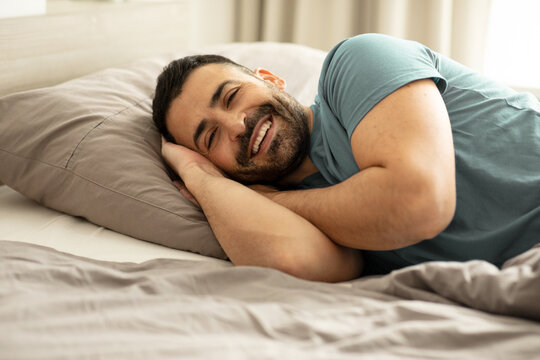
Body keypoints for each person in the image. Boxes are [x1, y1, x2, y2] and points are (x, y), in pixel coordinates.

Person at [152, 33, 540, 282]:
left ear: (270, 79)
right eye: (210, 137)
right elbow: (294, 263)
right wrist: (200, 177)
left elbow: (421, 204)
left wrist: (268, 199)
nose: (237, 125)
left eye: (232, 96)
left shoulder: (356, 63)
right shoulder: (299, 208)